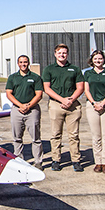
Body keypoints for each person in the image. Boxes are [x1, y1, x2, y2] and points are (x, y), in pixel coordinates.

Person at [41, 44, 85, 172]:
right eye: (59, 53)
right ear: (55, 54)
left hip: (72, 105)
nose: (62, 55)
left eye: (64, 53)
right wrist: (62, 100)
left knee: (74, 135)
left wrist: (71, 99)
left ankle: (76, 160)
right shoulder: (49, 69)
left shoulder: (75, 69)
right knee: (55, 134)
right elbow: (47, 88)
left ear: (68, 54)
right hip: (56, 104)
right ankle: (56, 160)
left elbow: (80, 87)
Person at [5, 55, 44, 168]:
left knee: (35, 138)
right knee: (17, 138)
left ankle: (38, 161)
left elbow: (39, 94)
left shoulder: (35, 77)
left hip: (32, 111)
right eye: (21, 62)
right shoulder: (12, 77)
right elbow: (9, 93)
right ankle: (18, 160)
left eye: (25, 62)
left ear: (28, 63)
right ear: (18, 63)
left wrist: (29, 105)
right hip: (17, 110)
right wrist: (20, 105)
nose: (23, 64)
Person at [83, 50, 105, 174]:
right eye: (96, 59)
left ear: (104, 60)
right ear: (92, 60)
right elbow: (86, 90)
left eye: (100, 59)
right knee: (96, 135)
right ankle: (98, 161)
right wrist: (93, 103)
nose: (98, 61)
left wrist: (103, 103)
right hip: (92, 105)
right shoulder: (88, 73)